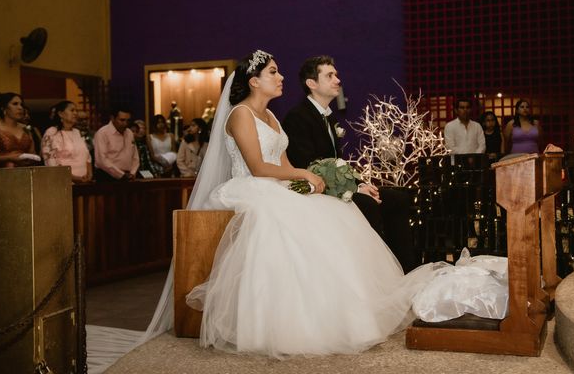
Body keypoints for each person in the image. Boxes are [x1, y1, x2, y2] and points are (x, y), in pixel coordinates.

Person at [184, 50, 437, 358]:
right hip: (249, 186)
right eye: (273, 73)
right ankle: (285, 322)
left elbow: (282, 161)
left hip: (276, 183)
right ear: (254, 81)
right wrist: (301, 173)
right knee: (292, 220)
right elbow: (257, 166)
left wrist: (307, 183)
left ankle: (344, 314)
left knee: (335, 211)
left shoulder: (272, 117)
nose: (281, 78)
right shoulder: (241, 114)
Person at [282, 55, 417, 273]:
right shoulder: (297, 118)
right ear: (312, 84)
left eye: (336, 74)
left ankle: (406, 270)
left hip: (338, 187)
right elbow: (309, 165)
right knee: (368, 205)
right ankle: (377, 273)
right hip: (316, 191)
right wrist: (354, 188)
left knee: (398, 198)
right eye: (330, 75)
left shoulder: (330, 118)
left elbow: (339, 163)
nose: (337, 80)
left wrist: (362, 183)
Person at [0, 92, 40, 168]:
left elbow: (32, 154)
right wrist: (8, 158)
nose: (20, 108)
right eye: (15, 104)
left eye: (21, 105)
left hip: (23, 173)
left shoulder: (25, 129)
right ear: (3, 108)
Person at [41, 100, 93, 182]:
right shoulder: (52, 132)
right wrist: (74, 178)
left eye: (76, 111)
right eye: (72, 110)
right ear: (60, 114)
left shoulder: (77, 132)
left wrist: (89, 174)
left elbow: (87, 156)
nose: (75, 113)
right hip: (63, 182)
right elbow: (51, 162)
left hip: (84, 182)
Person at [93, 105, 139, 181]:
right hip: (107, 176)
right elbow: (101, 160)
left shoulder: (129, 132)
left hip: (128, 176)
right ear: (112, 118)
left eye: (128, 121)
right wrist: (121, 175)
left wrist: (133, 173)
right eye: (122, 120)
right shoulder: (102, 133)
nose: (125, 123)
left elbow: (135, 156)